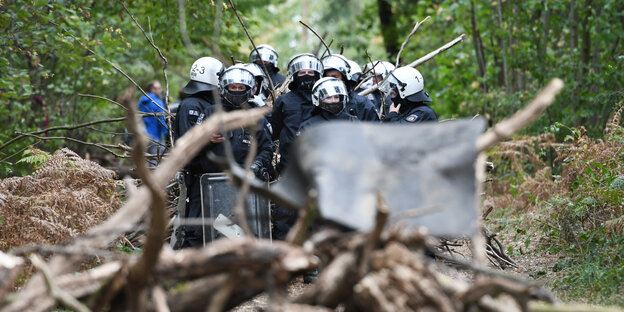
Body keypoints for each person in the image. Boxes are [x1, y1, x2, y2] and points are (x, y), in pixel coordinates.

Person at [269, 53, 323, 242]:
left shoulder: (327, 101)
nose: (307, 75)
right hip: (289, 170)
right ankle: (283, 261)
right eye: (303, 72)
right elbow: (273, 131)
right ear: (294, 75)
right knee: (284, 217)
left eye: (311, 71)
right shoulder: (284, 101)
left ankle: (313, 265)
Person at [172, 56, 225, 248]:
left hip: (216, 174)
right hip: (198, 176)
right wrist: (206, 138)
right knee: (196, 227)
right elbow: (186, 143)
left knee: (223, 222)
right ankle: (186, 269)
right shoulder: (191, 105)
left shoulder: (213, 104)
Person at [321, 54, 379, 121]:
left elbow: (376, 129)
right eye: (327, 77)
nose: (330, 80)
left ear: (344, 78)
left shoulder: (362, 104)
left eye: (335, 77)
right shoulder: (317, 105)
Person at [138, 80, 169, 166]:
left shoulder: (141, 101)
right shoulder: (157, 102)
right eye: (157, 88)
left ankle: (142, 178)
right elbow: (162, 119)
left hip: (142, 135)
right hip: (155, 136)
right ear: (152, 89)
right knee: (156, 159)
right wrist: (167, 133)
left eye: (160, 88)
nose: (160, 90)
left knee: (145, 159)